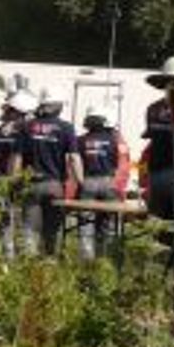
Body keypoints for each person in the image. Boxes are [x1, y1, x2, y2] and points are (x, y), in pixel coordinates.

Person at [19, 94, 81, 256]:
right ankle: (50, 263)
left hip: (30, 184)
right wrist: (81, 184)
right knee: (53, 229)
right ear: (56, 106)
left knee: (30, 228)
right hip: (54, 185)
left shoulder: (27, 126)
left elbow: (17, 157)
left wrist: (13, 181)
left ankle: (29, 266)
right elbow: (74, 158)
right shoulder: (66, 127)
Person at [75, 104, 130, 261]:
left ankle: (86, 263)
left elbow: (74, 164)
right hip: (109, 184)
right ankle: (107, 262)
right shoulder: (117, 141)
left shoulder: (80, 140)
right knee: (110, 225)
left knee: (85, 225)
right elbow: (122, 165)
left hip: (88, 183)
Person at [141, 55, 174, 222]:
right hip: (162, 173)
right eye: (168, 83)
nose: (171, 88)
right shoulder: (153, 109)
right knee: (160, 223)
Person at [0, 91, 28, 258]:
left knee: (4, 218)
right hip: (19, 179)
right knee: (19, 218)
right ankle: (20, 255)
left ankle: (7, 255)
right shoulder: (26, 130)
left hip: (1, 178)